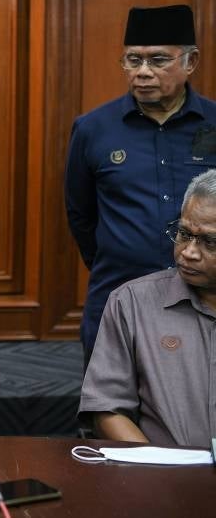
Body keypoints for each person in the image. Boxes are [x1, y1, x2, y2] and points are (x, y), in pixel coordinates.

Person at [66, 4, 213, 364]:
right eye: (133, 61)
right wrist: (120, 256)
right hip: (119, 295)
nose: (142, 72)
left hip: (206, 297)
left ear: (190, 62)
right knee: (110, 404)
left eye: (158, 60)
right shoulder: (93, 128)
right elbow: (80, 214)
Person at [80, 169, 216, 448]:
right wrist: (158, 468)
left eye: (209, 242)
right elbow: (106, 408)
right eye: (183, 233)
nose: (188, 252)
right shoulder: (132, 302)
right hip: (159, 482)